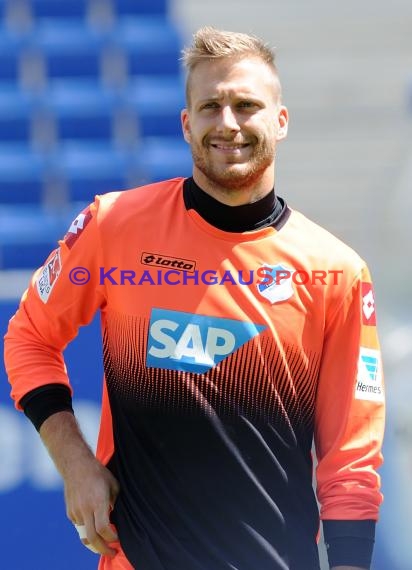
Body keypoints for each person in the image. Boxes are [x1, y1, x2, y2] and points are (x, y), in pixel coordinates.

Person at [3, 26, 385, 570]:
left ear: (280, 121)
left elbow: (351, 459)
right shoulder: (114, 225)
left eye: (246, 105)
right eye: (211, 106)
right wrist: (76, 464)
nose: (228, 123)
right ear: (187, 124)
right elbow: (29, 336)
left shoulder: (337, 272)